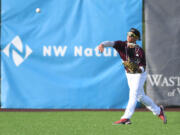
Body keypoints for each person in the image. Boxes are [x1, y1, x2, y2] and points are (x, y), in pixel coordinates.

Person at [98, 28, 167, 125]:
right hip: (129, 74)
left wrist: (137, 69)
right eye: (128, 34)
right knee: (140, 96)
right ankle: (159, 111)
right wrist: (102, 44)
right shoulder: (121, 45)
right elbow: (110, 43)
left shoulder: (139, 51)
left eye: (132, 35)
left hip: (139, 74)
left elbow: (142, 67)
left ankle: (126, 117)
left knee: (133, 93)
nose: (129, 36)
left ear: (136, 38)